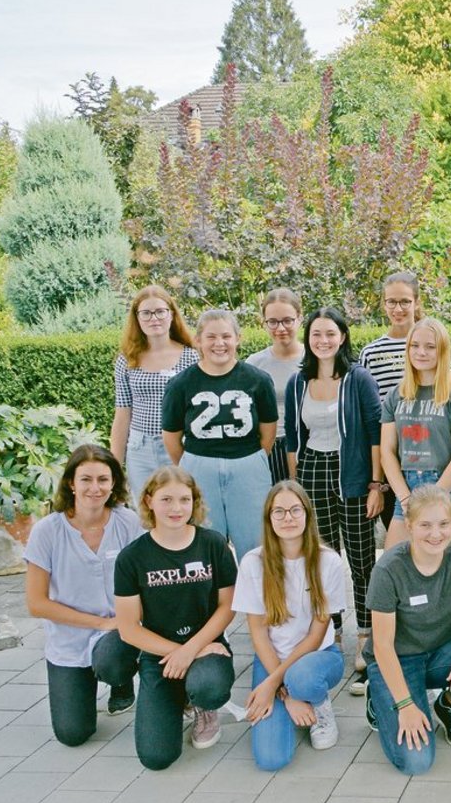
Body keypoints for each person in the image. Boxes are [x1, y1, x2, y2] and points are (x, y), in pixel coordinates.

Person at [362, 485, 451, 774]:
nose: (435, 534)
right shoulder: (389, 569)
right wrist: (406, 705)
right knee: (417, 761)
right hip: (397, 661)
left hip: (439, 652)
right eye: (425, 525)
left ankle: (449, 706)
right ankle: (379, 697)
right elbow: (383, 646)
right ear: (410, 526)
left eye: (443, 524)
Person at [284, 307, 383, 695]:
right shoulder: (299, 381)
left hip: (353, 475)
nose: (323, 341)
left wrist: (376, 485)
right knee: (322, 559)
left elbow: (376, 432)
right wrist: (294, 485)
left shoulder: (358, 379)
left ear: (342, 337)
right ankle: (331, 633)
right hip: (312, 473)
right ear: (308, 339)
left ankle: (366, 637)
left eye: (330, 333)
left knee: (360, 560)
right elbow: (293, 436)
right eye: (316, 334)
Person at [113, 467, 236, 770]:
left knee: (207, 685)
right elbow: (128, 629)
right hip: (160, 656)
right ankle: (177, 699)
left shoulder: (212, 544)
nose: (176, 508)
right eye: (166, 499)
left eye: (184, 499)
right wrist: (178, 653)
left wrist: (193, 649)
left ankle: (202, 704)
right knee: (157, 757)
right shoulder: (132, 557)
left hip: (208, 647)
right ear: (149, 500)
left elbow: (228, 607)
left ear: (194, 503)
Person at [24, 445, 143, 745]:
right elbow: (37, 604)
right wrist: (99, 623)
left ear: (114, 483)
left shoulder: (127, 522)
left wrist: (126, 622)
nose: (95, 488)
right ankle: (89, 680)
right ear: (70, 483)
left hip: (120, 633)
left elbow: (148, 578)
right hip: (71, 638)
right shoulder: (47, 531)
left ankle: (121, 680)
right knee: (72, 734)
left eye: (103, 479)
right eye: (86, 479)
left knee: (112, 659)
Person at [233, 481, 347, 770]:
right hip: (272, 657)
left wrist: (275, 685)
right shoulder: (252, 562)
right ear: (269, 518)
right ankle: (295, 697)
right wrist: (284, 693)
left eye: (295, 510)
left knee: (303, 679)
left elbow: (316, 634)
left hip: (316, 658)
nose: (288, 518)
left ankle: (317, 702)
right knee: (272, 758)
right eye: (279, 511)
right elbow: (257, 632)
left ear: (308, 514)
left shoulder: (328, 561)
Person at [160, 309, 277, 561]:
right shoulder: (181, 384)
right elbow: (171, 437)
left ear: (238, 338)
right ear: (198, 340)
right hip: (199, 464)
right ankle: (212, 598)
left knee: (256, 543)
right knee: (204, 541)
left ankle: (256, 598)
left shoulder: (258, 380)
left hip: (248, 465)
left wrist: (246, 459)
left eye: (226, 336)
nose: (219, 343)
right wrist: (198, 463)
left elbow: (268, 432)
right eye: (211, 337)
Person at [381, 317, 451, 545]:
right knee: (394, 568)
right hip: (406, 489)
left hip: (448, 490)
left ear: (442, 350)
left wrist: (432, 500)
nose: (421, 352)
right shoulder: (396, 395)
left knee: (445, 573)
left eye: (430, 346)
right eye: (414, 345)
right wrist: (405, 498)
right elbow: (387, 452)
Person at [110, 286, 198, 503]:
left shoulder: (192, 357)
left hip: (180, 446)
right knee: (145, 511)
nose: (154, 318)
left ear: (171, 314)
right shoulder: (128, 360)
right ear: (137, 318)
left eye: (160, 311)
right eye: (146, 313)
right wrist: (114, 467)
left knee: (182, 507)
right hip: (140, 450)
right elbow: (122, 415)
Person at [359, 271, 424, 529]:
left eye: (405, 302)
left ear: (416, 303)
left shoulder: (429, 344)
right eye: (392, 302)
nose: (398, 309)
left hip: (425, 446)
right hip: (389, 451)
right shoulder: (371, 352)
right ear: (383, 304)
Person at [247, 288, 305, 484]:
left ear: (300, 318)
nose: (280, 328)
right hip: (268, 446)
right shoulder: (254, 364)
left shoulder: (312, 359)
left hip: (305, 446)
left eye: (287, 320)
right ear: (264, 323)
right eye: (273, 322)